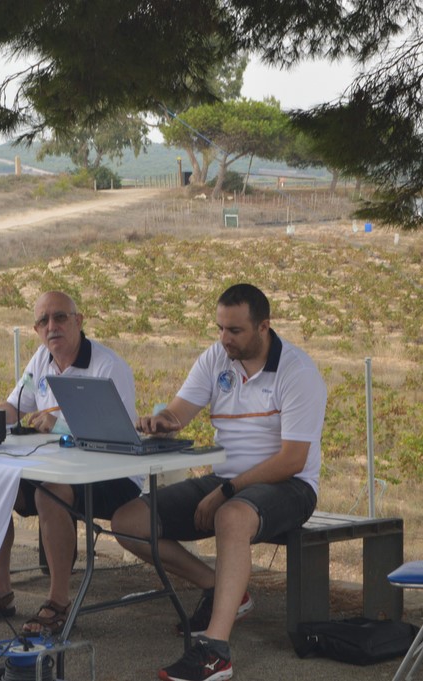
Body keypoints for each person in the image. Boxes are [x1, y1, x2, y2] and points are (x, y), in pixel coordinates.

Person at [111, 283, 327, 681]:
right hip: (226, 480)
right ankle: (226, 588)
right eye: (220, 329)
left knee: (231, 516)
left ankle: (215, 652)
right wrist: (161, 423)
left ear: (264, 327)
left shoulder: (298, 372)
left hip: (291, 487)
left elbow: (292, 460)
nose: (224, 339)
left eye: (235, 331)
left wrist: (227, 490)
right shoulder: (216, 358)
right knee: (127, 521)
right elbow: (179, 414)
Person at [0, 290, 140, 636]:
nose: (51, 326)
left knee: (50, 493)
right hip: (60, 467)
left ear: (79, 321)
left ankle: (58, 601)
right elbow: (14, 407)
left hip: (115, 472)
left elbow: (122, 435)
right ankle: (0, 589)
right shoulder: (41, 359)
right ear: (36, 329)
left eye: (60, 318)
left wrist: (61, 425)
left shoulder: (107, 366)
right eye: (43, 321)